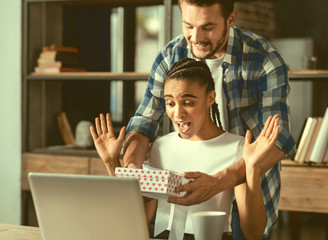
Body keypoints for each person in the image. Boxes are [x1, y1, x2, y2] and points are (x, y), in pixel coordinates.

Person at [122, 0, 296, 239]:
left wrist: (219, 181)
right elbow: (144, 123)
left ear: (231, 19)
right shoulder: (170, 56)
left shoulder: (263, 58)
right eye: (188, 26)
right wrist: (130, 169)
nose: (196, 37)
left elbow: (279, 141)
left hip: (247, 176)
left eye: (208, 27)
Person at [90, 58, 281, 240]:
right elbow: (139, 218)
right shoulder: (160, 146)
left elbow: (253, 234)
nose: (178, 113)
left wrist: (252, 167)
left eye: (188, 103)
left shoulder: (237, 147)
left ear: (210, 98)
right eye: (170, 103)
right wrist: (111, 162)